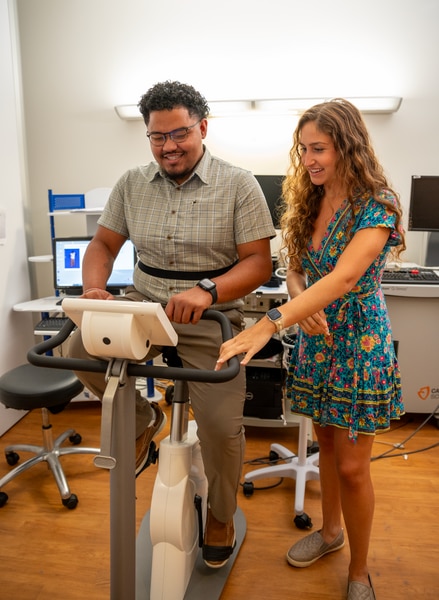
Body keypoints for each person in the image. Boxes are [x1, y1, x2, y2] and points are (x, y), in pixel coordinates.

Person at [68, 80, 276, 568]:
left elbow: (258, 264)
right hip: (145, 303)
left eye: (179, 134)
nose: (169, 147)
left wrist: (207, 290)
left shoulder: (238, 183)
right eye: (157, 137)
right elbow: (101, 246)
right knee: (77, 348)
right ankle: (145, 419)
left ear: (203, 127)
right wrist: (95, 288)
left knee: (223, 427)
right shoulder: (132, 182)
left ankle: (222, 514)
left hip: (212, 317)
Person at [216, 98, 405, 598]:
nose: (310, 160)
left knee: (351, 464)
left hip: (359, 344)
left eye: (319, 148)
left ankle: (359, 571)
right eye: (303, 150)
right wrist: (299, 298)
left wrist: (272, 322)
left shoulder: (378, 204)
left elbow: (345, 277)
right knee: (325, 445)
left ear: (347, 146)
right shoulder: (309, 199)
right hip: (317, 340)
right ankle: (330, 533)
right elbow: (296, 269)